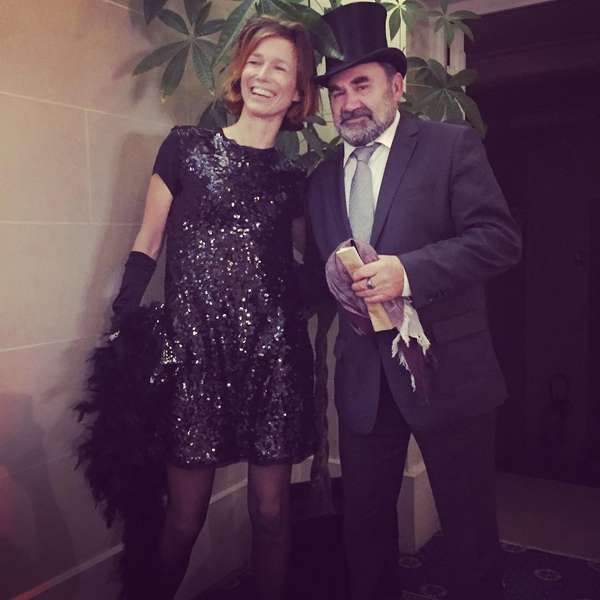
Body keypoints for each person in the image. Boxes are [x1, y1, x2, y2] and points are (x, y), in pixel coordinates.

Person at [81, 16, 320, 600]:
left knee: (271, 513)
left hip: (273, 360)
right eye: (255, 62)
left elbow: (310, 269)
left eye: (280, 67)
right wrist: (123, 325)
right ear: (240, 72)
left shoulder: (296, 181)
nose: (263, 75)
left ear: (298, 92)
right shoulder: (185, 148)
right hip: (195, 358)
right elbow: (148, 242)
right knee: (184, 521)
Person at [304, 3, 522, 599]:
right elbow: (317, 276)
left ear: (397, 86)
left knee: (470, 533)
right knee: (365, 534)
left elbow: (499, 240)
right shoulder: (319, 180)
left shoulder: (450, 146)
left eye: (362, 84)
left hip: (449, 374)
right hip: (363, 385)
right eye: (337, 91)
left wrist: (408, 272)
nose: (348, 102)